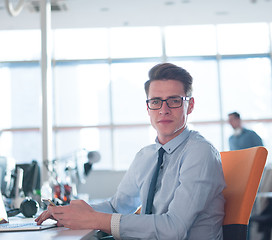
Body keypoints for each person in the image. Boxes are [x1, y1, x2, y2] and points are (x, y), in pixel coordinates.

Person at [36, 63, 226, 239]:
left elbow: (174, 228)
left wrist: (93, 219)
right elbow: (117, 206)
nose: (164, 109)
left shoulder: (200, 153)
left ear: (190, 105)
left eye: (174, 101)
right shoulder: (147, 155)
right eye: (156, 101)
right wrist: (69, 214)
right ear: (148, 107)